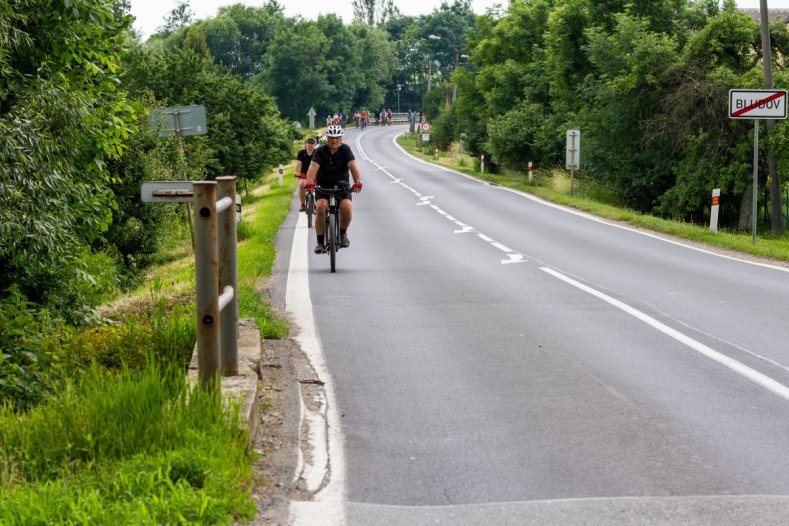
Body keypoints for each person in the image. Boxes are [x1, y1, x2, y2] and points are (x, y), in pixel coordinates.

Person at [305, 124, 363, 254]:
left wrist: (357, 182)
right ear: (327, 138)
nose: (334, 140)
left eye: (337, 138)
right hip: (323, 187)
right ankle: (320, 243)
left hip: (342, 187)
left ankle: (343, 234)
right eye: (331, 138)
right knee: (320, 207)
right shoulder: (320, 151)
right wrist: (309, 183)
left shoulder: (345, 150)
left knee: (347, 206)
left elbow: (353, 166)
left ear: (341, 138)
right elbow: (313, 168)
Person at [294, 137, 316, 212]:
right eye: (309, 143)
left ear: (314, 145)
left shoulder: (317, 153)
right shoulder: (301, 153)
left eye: (312, 143)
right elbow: (298, 164)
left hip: (315, 173)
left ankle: (316, 202)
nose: (310, 145)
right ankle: (303, 204)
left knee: (318, 187)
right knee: (301, 184)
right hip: (304, 173)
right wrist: (296, 172)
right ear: (306, 145)